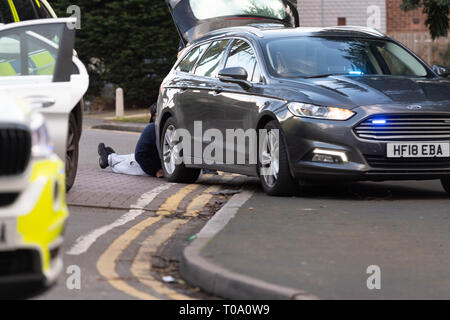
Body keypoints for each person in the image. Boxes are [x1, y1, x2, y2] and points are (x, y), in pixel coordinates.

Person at [97, 103, 163, 178]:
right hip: (143, 166)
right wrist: (155, 171)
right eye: (156, 115)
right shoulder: (152, 128)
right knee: (119, 165)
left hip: (143, 161)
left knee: (130, 158)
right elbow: (140, 155)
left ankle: (109, 156)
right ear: (153, 117)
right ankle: (108, 159)